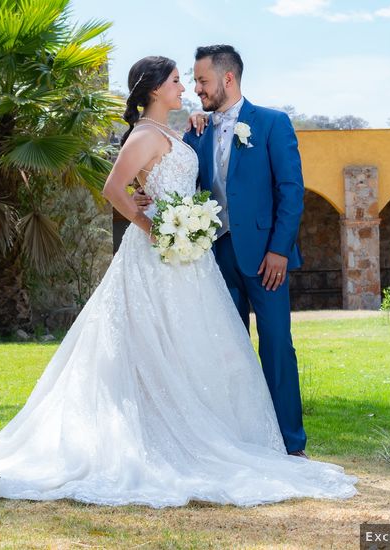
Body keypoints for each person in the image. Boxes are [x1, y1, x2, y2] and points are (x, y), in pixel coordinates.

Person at [0, 55, 357, 508]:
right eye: (176, 81)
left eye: (193, 80)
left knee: (201, 345)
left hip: (193, 260)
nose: (186, 87)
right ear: (153, 89)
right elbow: (113, 189)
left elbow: (193, 178)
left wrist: (177, 220)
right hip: (160, 254)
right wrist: (157, 228)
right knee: (151, 343)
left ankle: (244, 437)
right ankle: (163, 436)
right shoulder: (145, 135)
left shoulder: (184, 130)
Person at [136, 44, 308, 457]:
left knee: (277, 345)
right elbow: (171, 177)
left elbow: (291, 191)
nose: (196, 89)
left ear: (227, 79)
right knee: (223, 350)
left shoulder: (271, 123)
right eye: (193, 81)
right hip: (212, 258)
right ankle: (238, 440)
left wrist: (279, 250)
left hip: (266, 258)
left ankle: (290, 442)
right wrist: (144, 197)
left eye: (202, 81)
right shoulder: (196, 130)